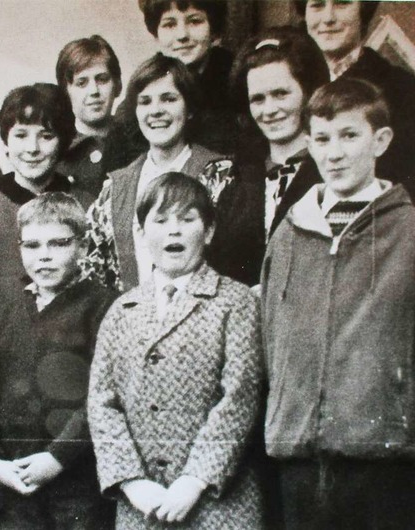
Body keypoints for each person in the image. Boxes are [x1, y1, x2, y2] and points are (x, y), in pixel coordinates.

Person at [262, 77, 415, 529]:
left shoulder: (407, 232)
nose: (335, 153)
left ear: (381, 140)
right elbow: (272, 335)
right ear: (308, 144)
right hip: (299, 455)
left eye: (350, 136)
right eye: (323, 139)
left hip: (385, 454)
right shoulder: (289, 233)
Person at [88, 172, 264, 529]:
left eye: (187, 220)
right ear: (140, 233)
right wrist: (131, 482)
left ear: (209, 231)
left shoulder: (235, 302)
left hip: (218, 505)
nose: (174, 231)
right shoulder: (122, 311)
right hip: (143, 508)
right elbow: (102, 403)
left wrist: (195, 480)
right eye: (161, 220)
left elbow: (239, 398)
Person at [0, 192, 117, 529]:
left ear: (82, 247)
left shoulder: (104, 307)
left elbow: (104, 397)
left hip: (79, 484)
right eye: (32, 246)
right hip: (15, 483)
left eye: (58, 244)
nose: (45, 257)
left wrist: (57, 458)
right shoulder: (5, 313)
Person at [85, 53, 232, 292]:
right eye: (145, 101)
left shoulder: (220, 176)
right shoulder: (115, 187)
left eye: (169, 99)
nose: (156, 111)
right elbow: (93, 271)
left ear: (190, 108)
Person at [0, 83, 92, 323]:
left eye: (46, 136)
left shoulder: (87, 204)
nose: (32, 149)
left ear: (62, 141)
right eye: (20, 135)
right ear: (6, 141)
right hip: (6, 343)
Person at [208, 26, 329, 287]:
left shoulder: (333, 171)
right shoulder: (233, 177)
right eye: (258, 99)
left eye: (281, 94)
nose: (269, 109)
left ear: (308, 92)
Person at [294, 0, 415, 197]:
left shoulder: (402, 89)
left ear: (363, 10)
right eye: (317, 5)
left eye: (342, 4)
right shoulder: (285, 86)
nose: (328, 18)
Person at [113, 0, 236, 167]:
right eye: (169, 24)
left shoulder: (237, 81)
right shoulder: (142, 89)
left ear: (213, 30)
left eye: (194, 21)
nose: (182, 35)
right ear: (156, 34)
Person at [55, 34, 124, 196]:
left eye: (102, 79)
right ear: (65, 93)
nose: (94, 91)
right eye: (81, 83)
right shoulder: (56, 150)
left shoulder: (137, 142)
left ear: (118, 86)